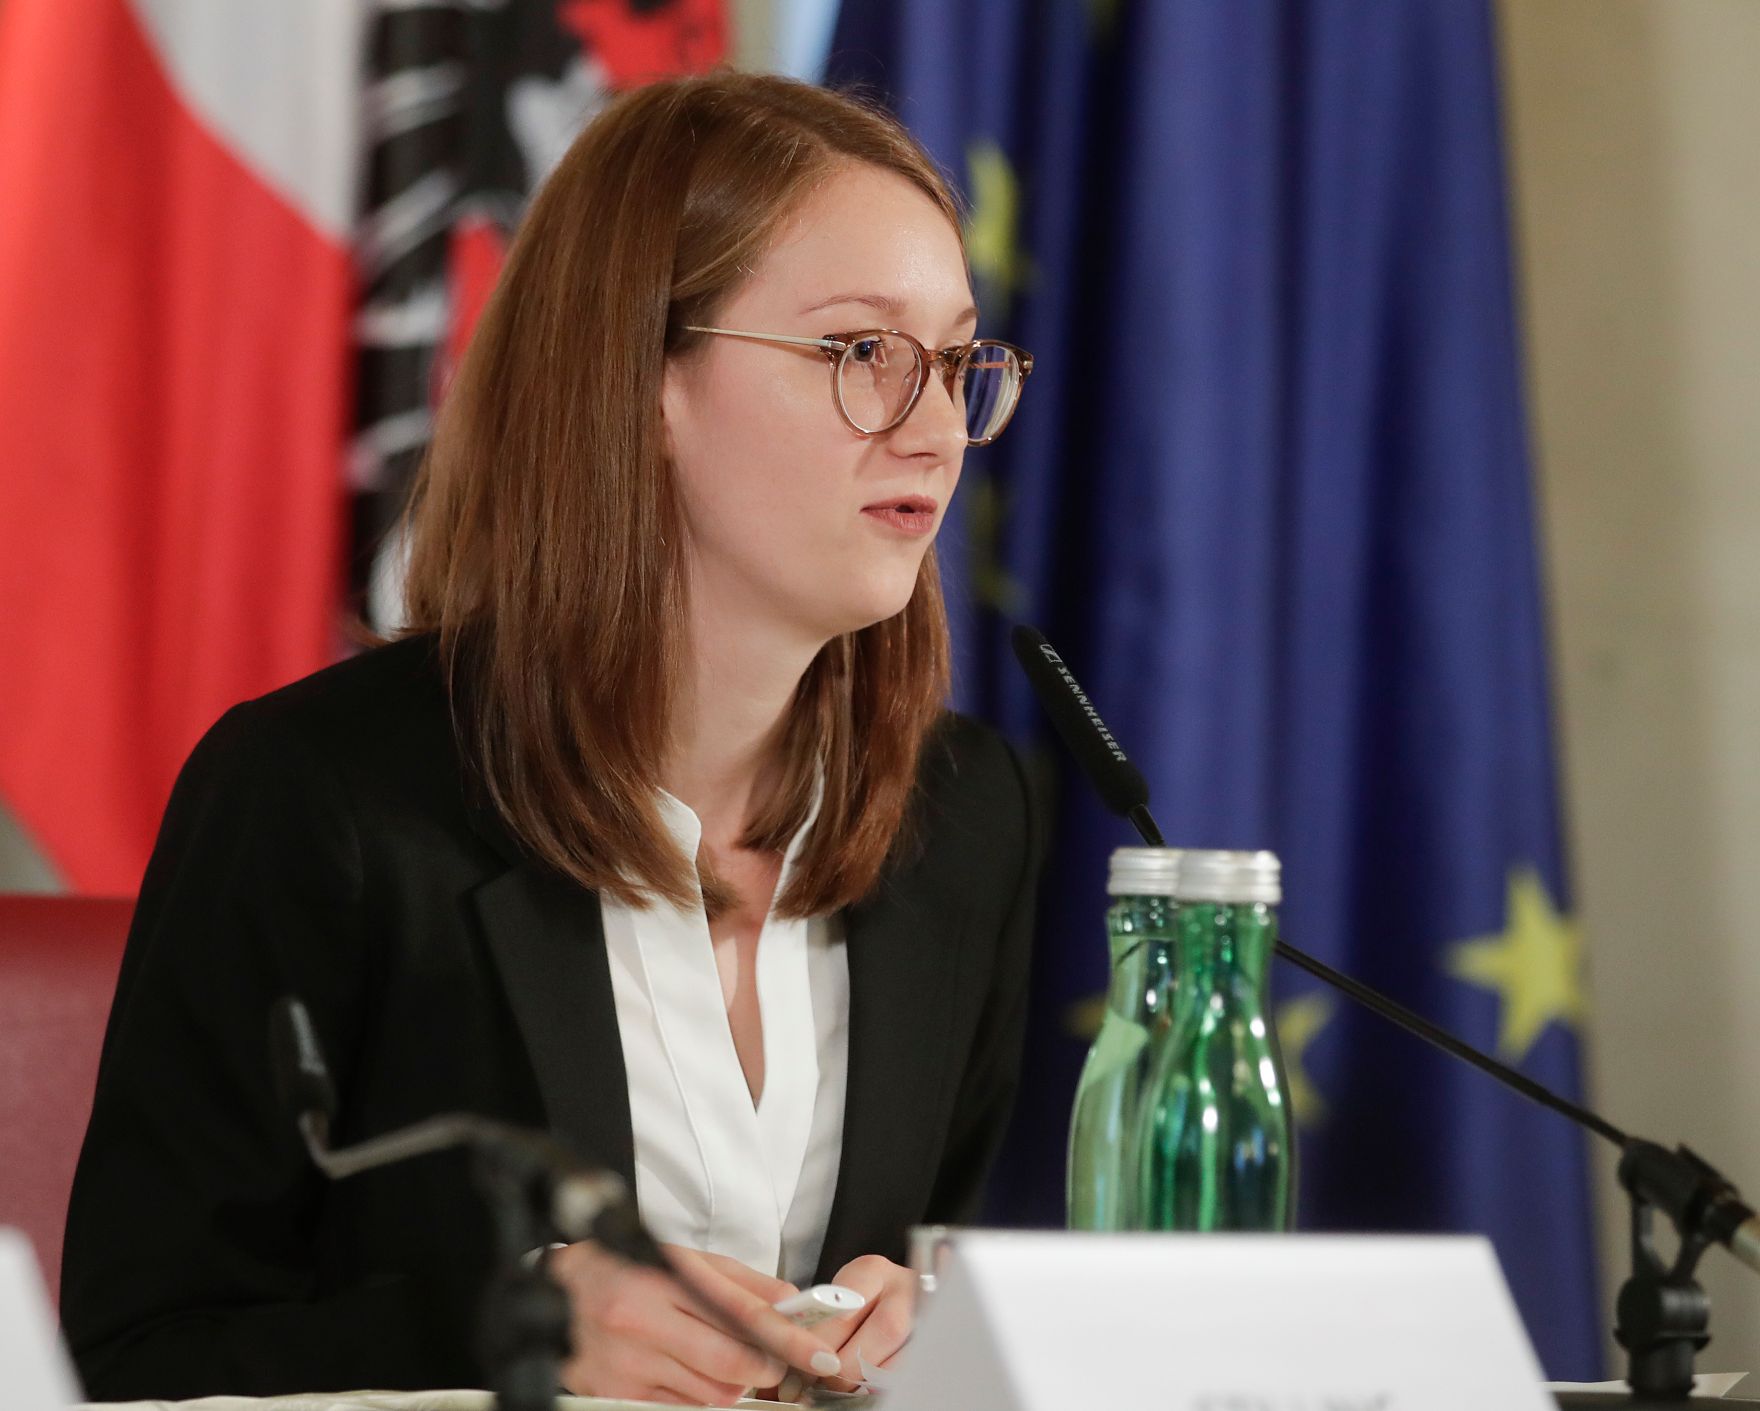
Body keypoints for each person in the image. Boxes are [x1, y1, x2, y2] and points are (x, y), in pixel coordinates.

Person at [61, 71, 1041, 1406]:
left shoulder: (967, 816)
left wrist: (934, 1335)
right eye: (860, 352)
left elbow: (943, 1268)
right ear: (642, 382)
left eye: (957, 361)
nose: (934, 429)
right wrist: (504, 1330)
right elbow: (133, 1365)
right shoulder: (323, 800)